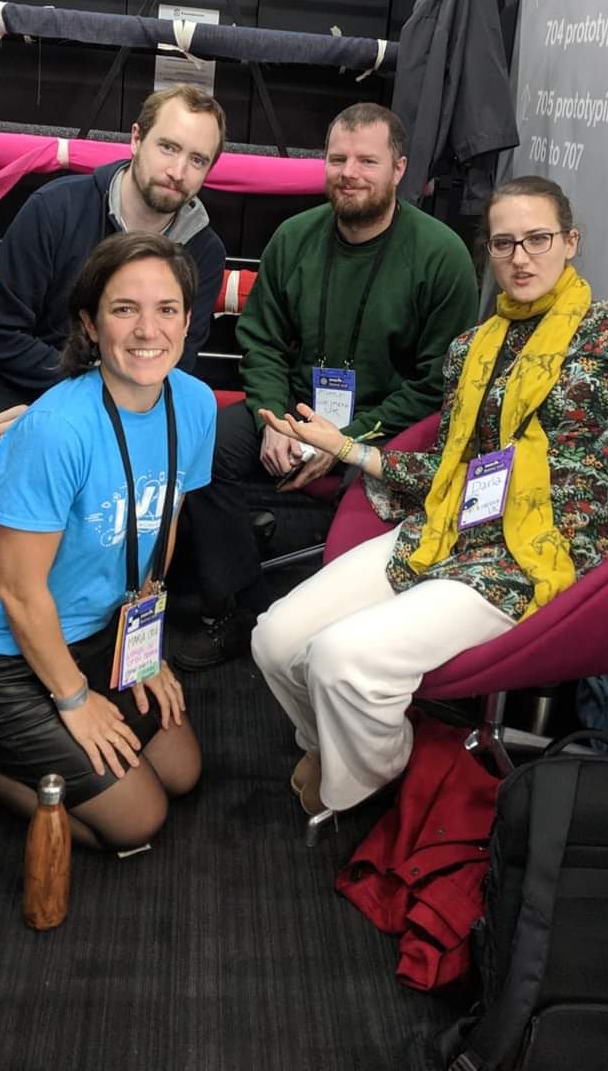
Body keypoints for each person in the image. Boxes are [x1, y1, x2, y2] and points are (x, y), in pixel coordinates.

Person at [251, 176, 608, 817]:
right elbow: (445, 469)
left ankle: (363, 781)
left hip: (541, 552)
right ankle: (342, 745)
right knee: (274, 638)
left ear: (570, 242)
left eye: (538, 239)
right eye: (504, 243)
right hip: (453, 529)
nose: (520, 257)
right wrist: (347, 447)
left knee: (339, 659)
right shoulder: (472, 347)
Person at [0, 232, 217, 852]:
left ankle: (22, 732)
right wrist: (75, 700)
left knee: (183, 774)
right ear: (89, 322)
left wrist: (144, 651)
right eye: (123, 309)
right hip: (2, 654)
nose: (147, 330)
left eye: (166, 309)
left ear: (189, 321)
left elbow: (160, 533)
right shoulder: (54, 431)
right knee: (139, 821)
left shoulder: (194, 405)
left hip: (98, 634)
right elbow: (18, 591)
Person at [172, 102, 480, 672]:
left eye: (368, 160)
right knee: (203, 447)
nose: (350, 172)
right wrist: (271, 419)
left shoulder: (443, 256)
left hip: (388, 431)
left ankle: (334, 647)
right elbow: (260, 339)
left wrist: (342, 441)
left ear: (399, 169)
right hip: (293, 413)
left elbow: (439, 384)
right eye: (337, 158)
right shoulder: (294, 238)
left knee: (366, 503)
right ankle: (230, 605)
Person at [0, 84, 227, 519]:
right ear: (136, 139)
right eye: (168, 147)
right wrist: (72, 407)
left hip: (128, 396)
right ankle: (9, 587)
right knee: (30, 477)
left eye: (197, 160)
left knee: (184, 495)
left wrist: (99, 402)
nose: (178, 170)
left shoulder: (205, 251)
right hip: (15, 381)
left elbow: (180, 358)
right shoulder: (53, 209)